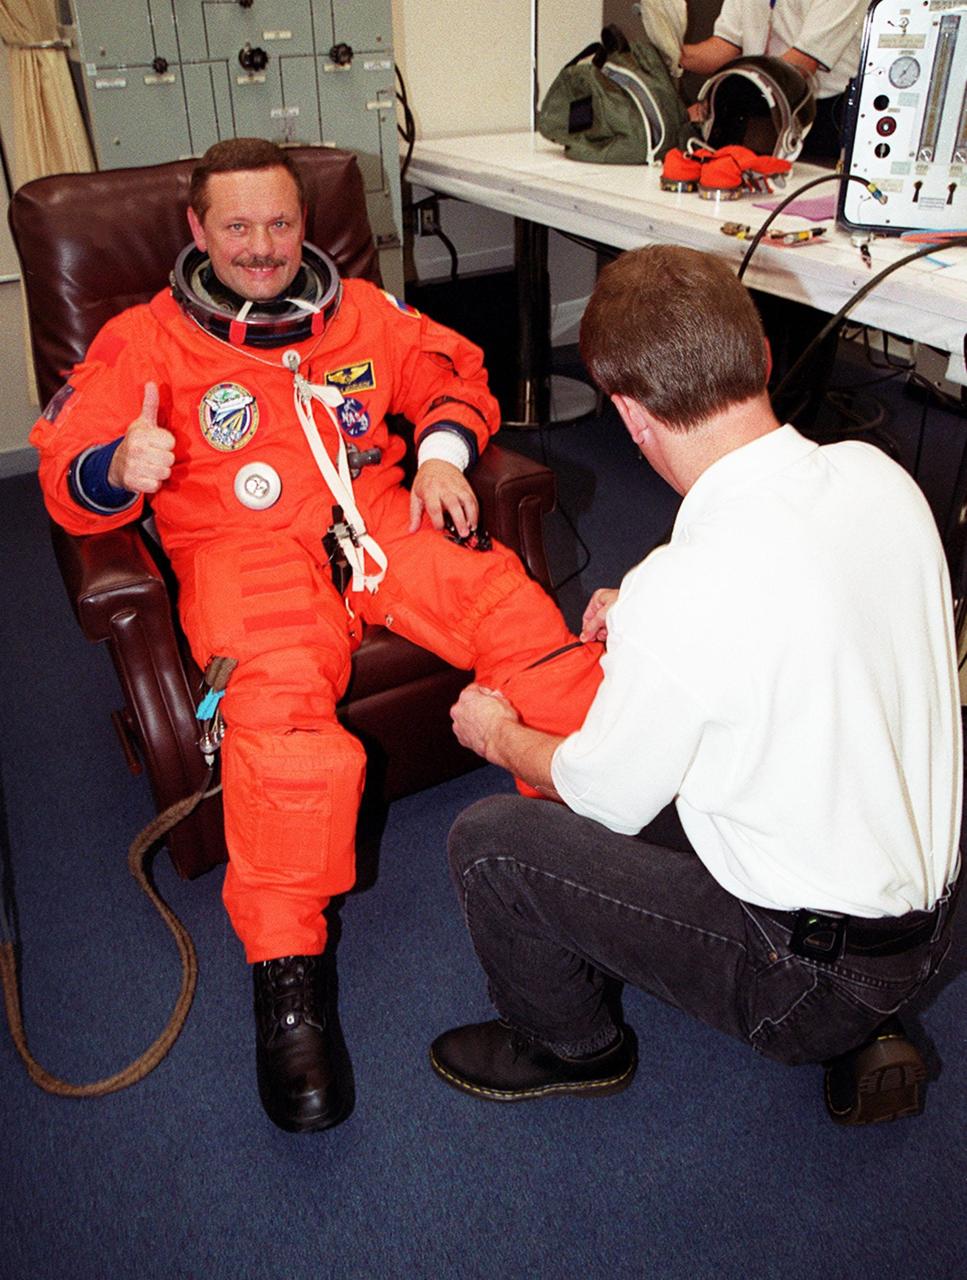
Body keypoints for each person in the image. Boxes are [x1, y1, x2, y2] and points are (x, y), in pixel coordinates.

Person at [30, 138, 602, 1134]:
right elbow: (63, 467)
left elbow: (452, 373)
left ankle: (599, 838)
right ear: (198, 231)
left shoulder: (361, 314)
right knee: (283, 723)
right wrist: (116, 468)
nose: (264, 247)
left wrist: (438, 452)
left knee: (513, 610)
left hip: (374, 520)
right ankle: (287, 980)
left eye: (283, 223)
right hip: (243, 550)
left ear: (309, 226)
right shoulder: (145, 340)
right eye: (239, 226)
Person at [433, 244, 963, 1126]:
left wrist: (494, 731)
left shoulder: (688, 588)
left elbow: (602, 795)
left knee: (492, 842)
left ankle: (569, 1046)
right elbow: (782, 576)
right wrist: (644, 602)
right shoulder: (881, 479)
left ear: (631, 417)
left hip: (802, 978)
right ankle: (873, 1017)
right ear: (758, 356)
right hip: (929, 923)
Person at [679, 0, 868, 162]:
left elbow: (800, 65)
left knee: (801, 198)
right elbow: (723, 48)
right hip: (759, 106)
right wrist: (669, 51)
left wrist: (718, 106)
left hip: (821, 116)